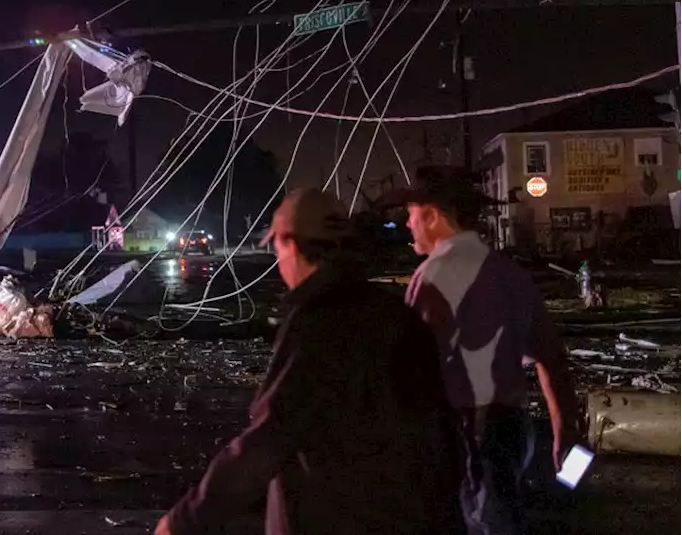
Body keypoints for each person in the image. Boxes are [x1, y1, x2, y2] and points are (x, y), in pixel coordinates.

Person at [157, 189, 461, 535]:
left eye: (277, 248)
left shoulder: (319, 325)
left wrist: (183, 521)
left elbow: (269, 439)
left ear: (290, 242)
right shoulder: (396, 315)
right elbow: (441, 433)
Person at [397, 166, 580, 535]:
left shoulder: (432, 277)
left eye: (410, 215)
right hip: (512, 427)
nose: (407, 225)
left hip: (465, 431)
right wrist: (564, 429)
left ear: (432, 216)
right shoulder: (510, 274)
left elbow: (409, 368)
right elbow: (550, 357)